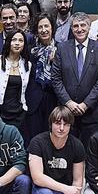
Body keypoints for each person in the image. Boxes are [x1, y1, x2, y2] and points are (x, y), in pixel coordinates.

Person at [28, 106, 90, 194]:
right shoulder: (37, 142)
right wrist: (64, 188)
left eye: (66, 124)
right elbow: (37, 177)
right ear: (51, 124)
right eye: (57, 123)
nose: (61, 128)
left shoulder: (77, 145)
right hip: (43, 189)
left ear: (70, 126)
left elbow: (78, 181)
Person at [51, 12, 98, 145]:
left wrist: (85, 104)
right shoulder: (62, 48)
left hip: (91, 113)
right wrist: (68, 102)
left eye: (83, 25)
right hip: (66, 113)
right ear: (71, 29)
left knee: (90, 153)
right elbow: (56, 78)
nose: (79, 29)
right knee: (67, 151)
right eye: (75, 26)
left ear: (89, 27)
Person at [0, 29, 30, 131]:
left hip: (19, 113)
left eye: (20, 40)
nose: (17, 43)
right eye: (14, 40)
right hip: (1, 112)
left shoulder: (27, 64)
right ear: (8, 42)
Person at [26, 15, 60, 143]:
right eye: (40, 27)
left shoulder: (61, 49)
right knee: (34, 139)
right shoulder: (29, 50)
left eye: (46, 26)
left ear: (52, 29)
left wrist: (55, 61)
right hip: (33, 100)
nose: (44, 30)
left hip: (54, 98)